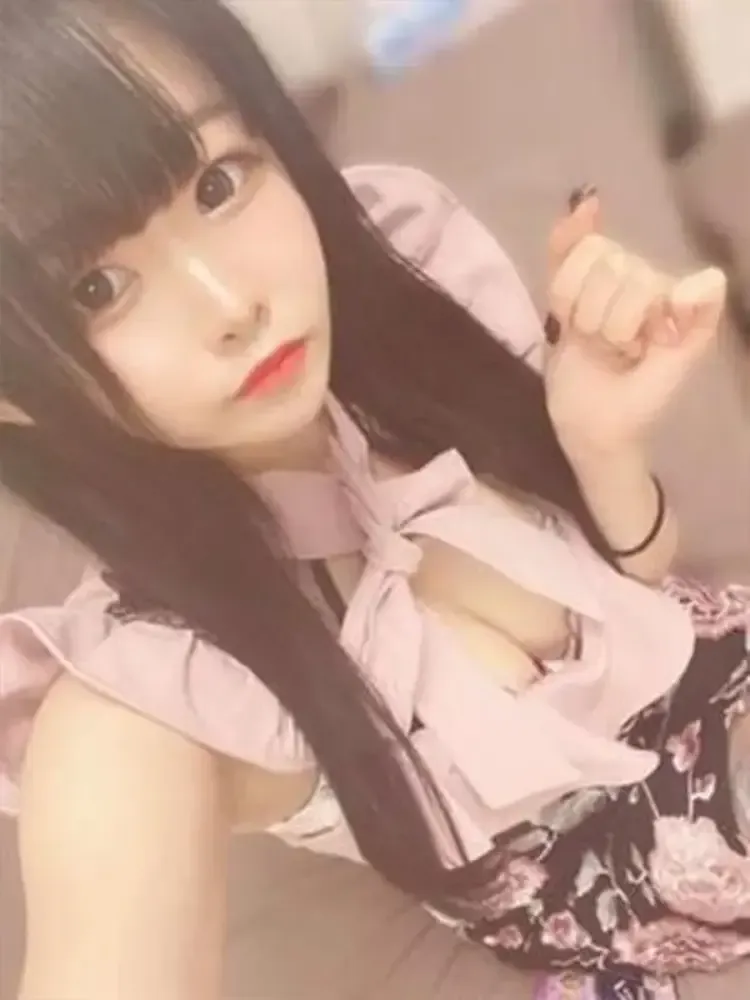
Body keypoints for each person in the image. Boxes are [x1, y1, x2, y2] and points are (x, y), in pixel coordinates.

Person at [0, 2, 748, 999]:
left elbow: (642, 576)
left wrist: (598, 444)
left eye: (218, 184)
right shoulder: (147, 697)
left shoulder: (409, 282)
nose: (230, 306)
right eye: (96, 288)